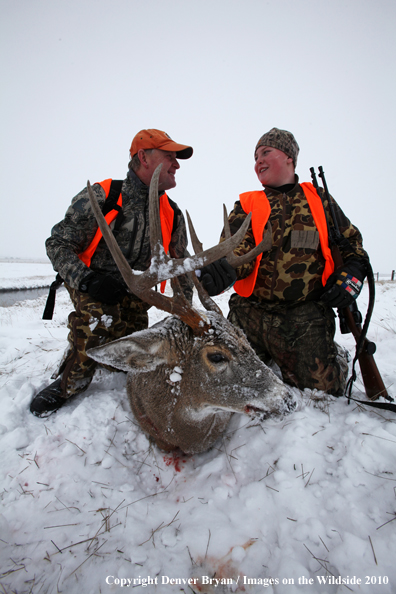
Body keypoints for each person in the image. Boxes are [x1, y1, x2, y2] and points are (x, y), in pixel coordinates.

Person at [30, 129, 193, 416]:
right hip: (92, 282)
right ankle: (70, 383)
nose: (177, 165)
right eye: (169, 157)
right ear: (143, 157)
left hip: (134, 289)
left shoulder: (173, 212)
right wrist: (87, 279)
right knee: (100, 320)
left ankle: (86, 347)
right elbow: (57, 244)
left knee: (127, 349)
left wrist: (187, 309)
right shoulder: (103, 195)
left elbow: (180, 264)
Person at [200, 127, 369, 396]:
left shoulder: (320, 201)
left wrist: (352, 273)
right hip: (250, 313)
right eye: (255, 157)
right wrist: (223, 271)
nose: (258, 162)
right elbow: (235, 250)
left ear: (289, 157)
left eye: (266, 152)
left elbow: (352, 246)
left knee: (324, 390)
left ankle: (334, 354)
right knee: (221, 380)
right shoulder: (247, 204)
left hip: (303, 315)